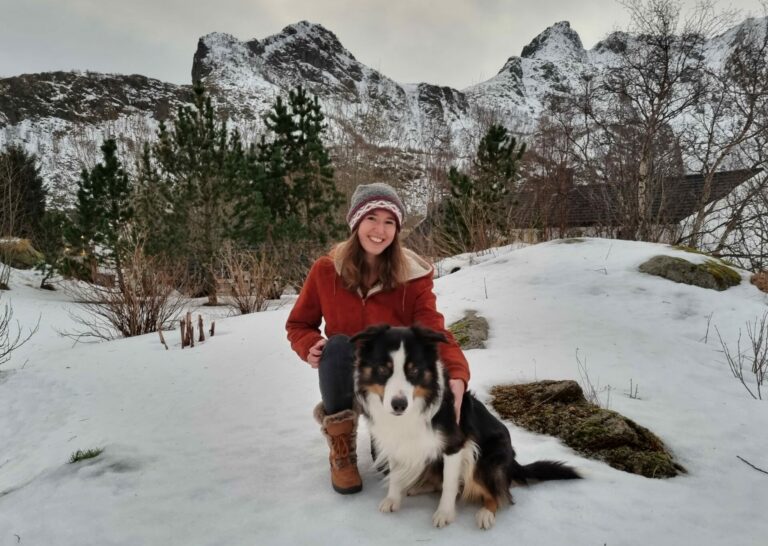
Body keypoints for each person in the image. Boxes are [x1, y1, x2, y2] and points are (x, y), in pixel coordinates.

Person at [285, 182, 470, 495]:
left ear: (397, 230)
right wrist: (309, 344)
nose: (379, 230)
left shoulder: (412, 278)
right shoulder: (326, 271)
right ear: (356, 222)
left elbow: (433, 330)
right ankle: (342, 448)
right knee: (337, 345)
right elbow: (299, 323)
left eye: (389, 222)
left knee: (387, 467)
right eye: (371, 218)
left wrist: (457, 374)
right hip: (344, 373)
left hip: (389, 384)